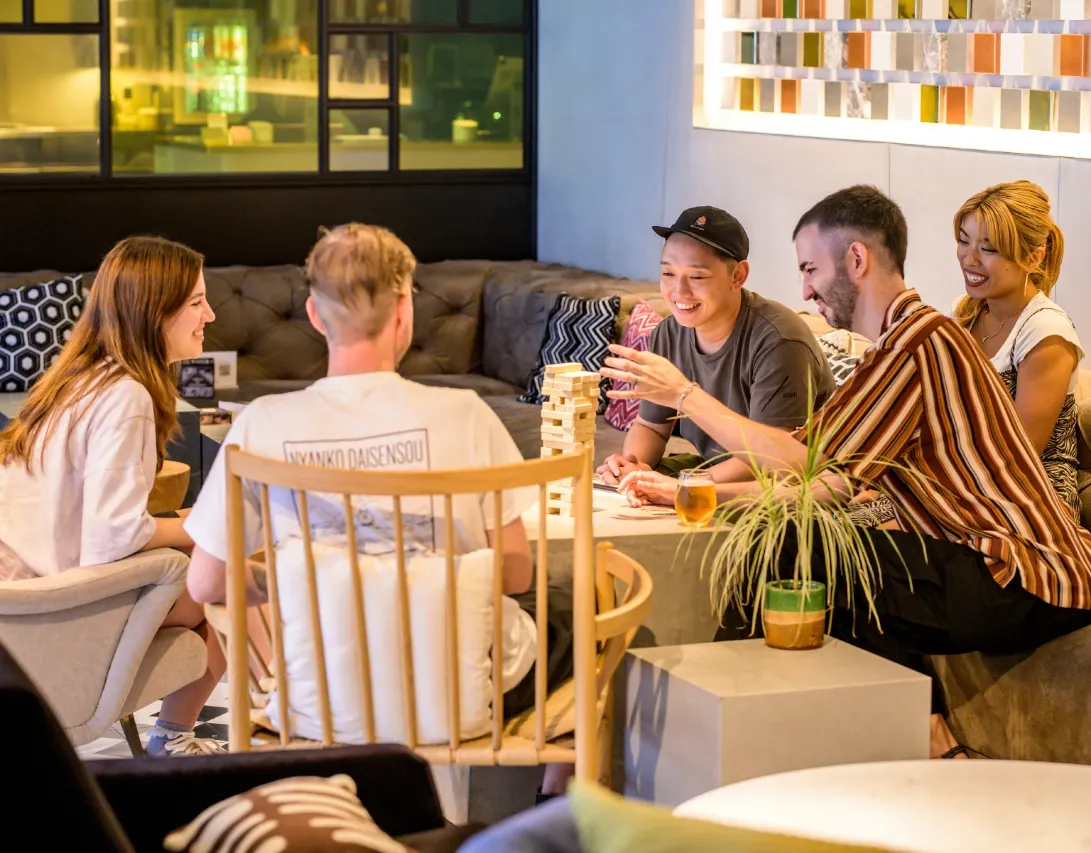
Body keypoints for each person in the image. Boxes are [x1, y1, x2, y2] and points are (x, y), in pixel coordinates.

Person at [602, 185, 1091, 759]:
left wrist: (685, 395)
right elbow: (820, 481)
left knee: (799, 549)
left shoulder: (917, 344)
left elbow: (799, 461)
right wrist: (691, 493)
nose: (804, 290)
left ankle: (704, 744)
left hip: (1026, 577)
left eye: (810, 268)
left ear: (856, 260)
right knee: (809, 544)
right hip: (994, 568)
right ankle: (895, 743)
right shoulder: (901, 345)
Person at [184, 223, 574, 796]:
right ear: (405, 311)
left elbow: (206, 582)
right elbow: (514, 573)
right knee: (571, 603)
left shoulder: (262, 423)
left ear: (315, 316)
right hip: (461, 692)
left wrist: (296, 579)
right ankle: (553, 801)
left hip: (317, 694)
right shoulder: (465, 414)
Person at [0, 236, 227, 757]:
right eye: (197, 302)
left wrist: (188, 520)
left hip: (18, 600)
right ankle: (174, 738)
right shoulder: (126, 395)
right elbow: (112, 537)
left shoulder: (80, 379)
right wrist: (201, 526)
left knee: (209, 546)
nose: (210, 315)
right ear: (155, 310)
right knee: (227, 571)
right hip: (50, 607)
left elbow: (96, 520)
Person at [596, 206, 835, 485]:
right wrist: (631, 466)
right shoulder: (668, 333)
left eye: (697, 277)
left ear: (738, 276)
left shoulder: (780, 341)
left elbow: (772, 459)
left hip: (788, 486)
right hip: (712, 469)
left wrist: (684, 486)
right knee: (617, 487)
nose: (679, 291)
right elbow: (651, 426)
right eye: (668, 273)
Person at [953, 181, 1081, 518]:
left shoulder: (1046, 331)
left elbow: (1018, 458)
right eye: (964, 241)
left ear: (1033, 257)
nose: (969, 259)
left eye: (988, 249)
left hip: (1030, 491)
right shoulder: (966, 312)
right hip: (962, 476)